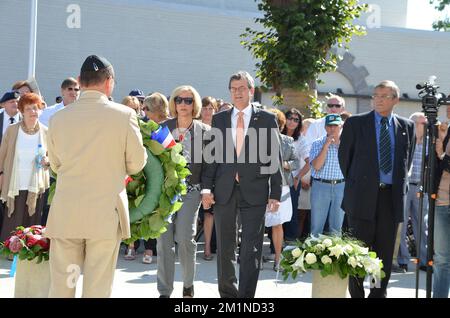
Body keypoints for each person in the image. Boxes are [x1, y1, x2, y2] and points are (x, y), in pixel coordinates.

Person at [45, 55, 147, 298]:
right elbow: (136, 163)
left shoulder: (58, 118)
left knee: (62, 286)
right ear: (109, 82)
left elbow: (56, 165)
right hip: (104, 215)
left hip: (67, 212)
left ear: (80, 81)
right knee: (97, 288)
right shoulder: (123, 116)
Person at [201, 71, 282, 298]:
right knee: (225, 248)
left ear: (251, 90)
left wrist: (275, 193)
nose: (237, 92)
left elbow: (274, 157)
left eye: (242, 88)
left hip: (255, 191)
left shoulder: (266, 119)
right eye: (233, 89)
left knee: (251, 248)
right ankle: (228, 296)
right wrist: (206, 189)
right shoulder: (219, 119)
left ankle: (246, 298)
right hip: (224, 191)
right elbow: (211, 158)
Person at [338, 80, 415, 298]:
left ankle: (376, 294)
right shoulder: (356, 123)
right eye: (376, 95)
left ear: (396, 100)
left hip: (390, 200)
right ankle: (357, 295)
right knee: (358, 253)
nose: (378, 99)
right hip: (361, 198)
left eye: (384, 96)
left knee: (381, 256)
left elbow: (405, 164)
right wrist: (361, 184)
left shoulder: (406, 127)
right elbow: (345, 159)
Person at [157, 85, 208, 298]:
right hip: (166, 191)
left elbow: (209, 165)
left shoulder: (205, 131)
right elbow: (154, 160)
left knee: (185, 236)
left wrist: (207, 190)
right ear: (174, 103)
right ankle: (164, 290)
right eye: (179, 100)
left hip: (192, 189)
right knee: (163, 240)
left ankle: (188, 285)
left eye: (188, 100)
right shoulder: (162, 128)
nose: (183, 104)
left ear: (194, 104)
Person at [0, 93, 50, 243]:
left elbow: (51, 156)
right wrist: (1, 174)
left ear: (40, 110)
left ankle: (29, 250)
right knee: (13, 217)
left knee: (32, 218)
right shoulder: (12, 130)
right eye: (28, 108)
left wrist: (47, 161)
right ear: (21, 111)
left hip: (36, 183)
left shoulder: (45, 131)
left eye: (35, 108)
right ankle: (10, 249)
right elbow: (2, 154)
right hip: (15, 182)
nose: (32, 112)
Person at [121, 95, 156, 264]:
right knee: (129, 209)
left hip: (147, 174)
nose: (133, 112)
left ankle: (149, 247)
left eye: (135, 109)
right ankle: (130, 245)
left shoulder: (146, 127)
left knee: (149, 210)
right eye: (129, 108)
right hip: (126, 175)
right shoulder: (117, 127)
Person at [396, 112, 428, 272]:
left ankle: (423, 260)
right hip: (404, 186)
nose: (426, 127)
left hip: (422, 188)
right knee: (400, 223)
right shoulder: (406, 140)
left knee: (422, 224)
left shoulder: (430, 143)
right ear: (414, 124)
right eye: (424, 124)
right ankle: (402, 259)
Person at [267, 108, 298, 270]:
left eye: (276, 123)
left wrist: (284, 164)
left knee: (277, 224)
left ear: (280, 125)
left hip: (282, 187)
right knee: (256, 224)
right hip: (260, 186)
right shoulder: (256, 140)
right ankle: (255, 260)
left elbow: (296, 163)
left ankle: (278, 260)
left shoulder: (287, 141)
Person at [309, 114, 345, 235]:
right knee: (316, 226)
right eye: (329, 126)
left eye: (335, 125)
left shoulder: (347, 144)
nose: (332, 129)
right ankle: (313, 252)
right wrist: (326, 146)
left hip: (341, 186)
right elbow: (317, 166)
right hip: (320, 185)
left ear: (341, 127)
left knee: (336, 227)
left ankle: (336, 253)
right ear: (325, 127)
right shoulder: (317, 143)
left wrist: (339, 146)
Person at [433, 104, 450, 298]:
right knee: (442, 259)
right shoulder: (445, 130)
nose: (448, 109)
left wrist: (442, 153)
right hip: (442, 201)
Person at [199, 96, 218, 260]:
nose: (207, 111)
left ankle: (207, 248)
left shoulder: (220, 128)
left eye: (210, 108)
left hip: (214, 176)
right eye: (204, 108)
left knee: (209, 213)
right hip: (197, 175)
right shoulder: (195, 127)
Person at [280, 108, 303, 242]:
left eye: (296, 119)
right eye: (289, 118)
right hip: (276, 180)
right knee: (276, 214)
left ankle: (290, 243)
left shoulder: (301, 139)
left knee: (291, 212)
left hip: (292, 180)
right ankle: (274, 246)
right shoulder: (277, 135)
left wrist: (297, 177)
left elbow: (307, 162)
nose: (292, 122)